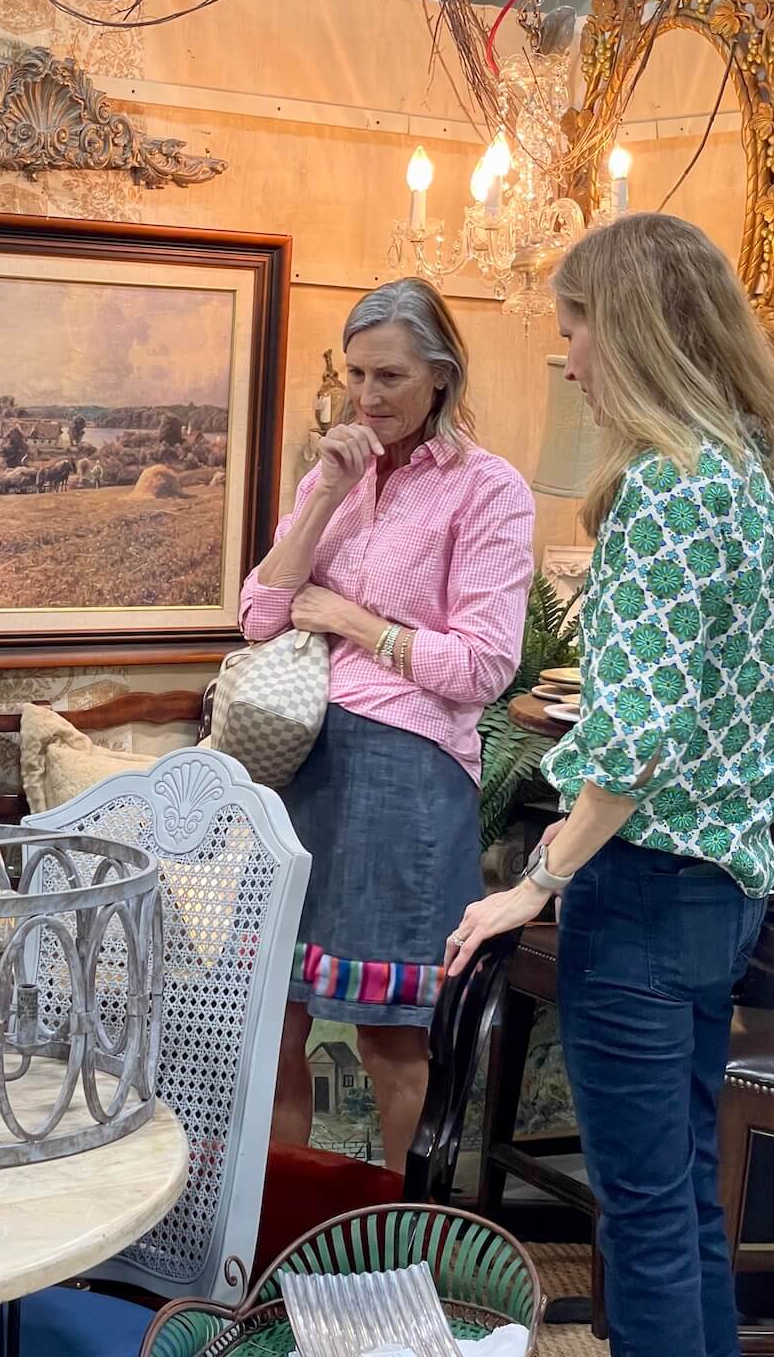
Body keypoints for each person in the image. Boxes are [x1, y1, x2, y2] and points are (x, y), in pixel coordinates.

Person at [447, 213, 774, 1356]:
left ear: (639, 331)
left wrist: (531, 885)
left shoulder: (667, 489)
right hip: (722, 893)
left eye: (576, 328)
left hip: (647, 893)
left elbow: (632, 736)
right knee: (683, 1199)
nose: (567, 356)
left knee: (646, 1215)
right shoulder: (768, 484)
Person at [239, 276, 534, 1173]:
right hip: (294, 763)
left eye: (391, 377)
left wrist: (352, 623)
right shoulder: (332, 477)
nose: (368, 397)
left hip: (404, 779)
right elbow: (258, 615)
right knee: (272, 1022)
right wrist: (327, 493)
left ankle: (401, 1249)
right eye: (356, 374)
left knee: (389, 1042)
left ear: (441, 377)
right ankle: (285, 1241)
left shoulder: (490, 492)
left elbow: (483, 666)